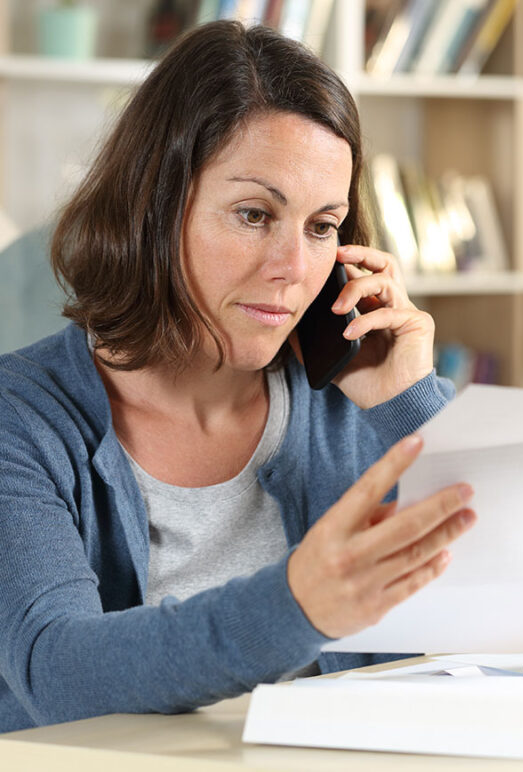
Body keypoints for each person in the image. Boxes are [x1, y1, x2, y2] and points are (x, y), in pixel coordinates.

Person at [0, 21, 478, 733]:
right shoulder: (22, 416)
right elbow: (57, 670)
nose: (294, 268)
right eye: (255, 214)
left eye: (322, 226)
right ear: (154, 211)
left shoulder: (359, 402)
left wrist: (412, 405)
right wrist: (297, 605)